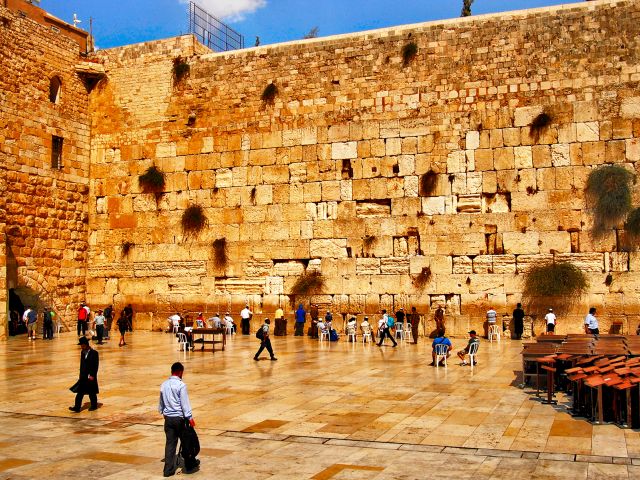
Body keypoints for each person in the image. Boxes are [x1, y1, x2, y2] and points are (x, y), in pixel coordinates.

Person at [159, 362, 199, 476]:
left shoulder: (164, 384)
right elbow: (184, 403)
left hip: (168, 418)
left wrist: (163, 412)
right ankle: (190, 465)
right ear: (180, 372)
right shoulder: (181, 385)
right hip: (179, 419)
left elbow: (161, 402)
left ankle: (168, 470)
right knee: (187, 443)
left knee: (170, 444)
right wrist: (190, 418)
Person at [69, 336, 99, 412]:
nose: (82, 347)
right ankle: (77, 407)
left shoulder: (94, 353)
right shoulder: (82, 352)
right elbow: (82, 364)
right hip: (83, 376)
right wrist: (80, 374)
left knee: (91, 392)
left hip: (90, 376)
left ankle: (94, 405)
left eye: (83, 345)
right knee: (80, 392)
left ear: (86, 345)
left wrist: (92, 375)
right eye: (81, 346)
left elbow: (95, 365)